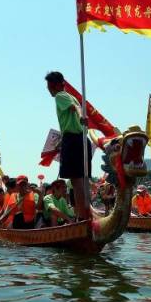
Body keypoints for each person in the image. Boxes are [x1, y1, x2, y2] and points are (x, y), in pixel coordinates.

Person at [45, 71, 92, 219]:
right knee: (83, 180)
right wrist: (59, 144)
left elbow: (75, 109)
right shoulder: (72, 97)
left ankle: (82, 218)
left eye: (49, 86)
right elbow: (72, 119)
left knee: (76, 181)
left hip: (73, 140)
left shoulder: (61, 96)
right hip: (81, 139)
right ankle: (86, 215)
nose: (48, 89)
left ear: (55, 85)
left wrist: (81, 115)